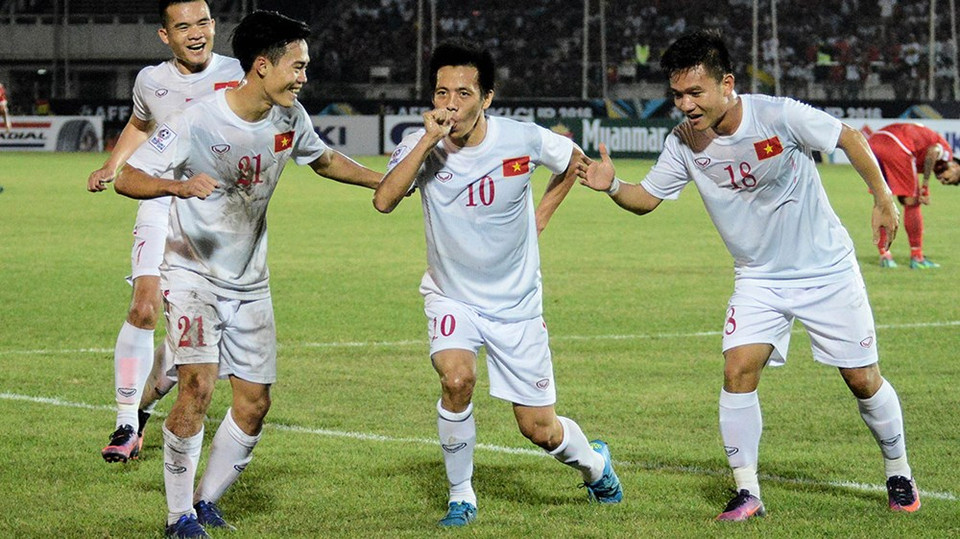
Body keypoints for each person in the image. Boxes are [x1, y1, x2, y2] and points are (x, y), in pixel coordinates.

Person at [578, 29, 919, 521]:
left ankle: (899, 471)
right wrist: (613, 187)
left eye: (695, 93)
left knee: (862, 380)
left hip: (826, 271)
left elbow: (847, 137)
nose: (686, 105)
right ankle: (748, 493)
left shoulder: (777, 114)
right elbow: (647, 199)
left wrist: (884, 198)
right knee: (738, 370)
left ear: (727, 84)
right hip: (758, 277)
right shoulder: (683, 141)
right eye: (677, 95)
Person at [115, 10, 382, 538]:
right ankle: (179, 518)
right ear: (263, 66)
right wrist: (177, 187)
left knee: (255, 404)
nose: (304, 76)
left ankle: (206, 498)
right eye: (297, 66)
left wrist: (386, 180)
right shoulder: (198, 119)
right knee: (196, 387)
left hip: (250, 279)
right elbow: (128, 175)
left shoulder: (289, 117)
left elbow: (324, 160)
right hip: (192, 272)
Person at [373, 39, 622, 528]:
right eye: (442, 93)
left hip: (517, 305)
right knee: (456, 379)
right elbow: (383, 201)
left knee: (540, 429)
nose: (450, 105)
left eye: (463, 94)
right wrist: (426, 142)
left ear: (487, 98)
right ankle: (461, 496)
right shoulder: (418, 145)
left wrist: (541, 215)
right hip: (451, 295)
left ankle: (595, 464)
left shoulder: (521, 139)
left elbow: (572, 158)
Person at [87, 0, 244, 464]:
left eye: (203, 23)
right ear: (165, 35)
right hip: (160, 200)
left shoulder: (237, 73)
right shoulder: (151, 81)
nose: (196, 33)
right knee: (144, 304)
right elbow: (140, 124)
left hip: (215, 216)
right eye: (183, 26)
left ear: (214, 26)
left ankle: (144, 404)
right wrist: (112, 165)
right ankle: (124, 421)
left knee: (188, 335)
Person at [868, 122, 960, 268]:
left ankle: (885, 255)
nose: (943, 181)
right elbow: (932, 151)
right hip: (897, 144)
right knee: (913, 202)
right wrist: (925, 186)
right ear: (956, 166)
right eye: (950, 179)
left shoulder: (934, 161)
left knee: (881, 201)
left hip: (872, 143)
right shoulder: (947, 154)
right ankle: (917, 258)